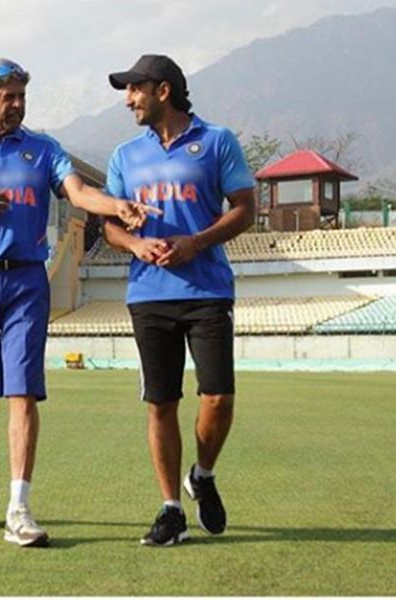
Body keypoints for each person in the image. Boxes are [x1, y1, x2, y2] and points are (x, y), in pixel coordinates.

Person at [0, 58, 158, 548]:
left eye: (22, 95)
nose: (17, 104)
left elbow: (78, 192)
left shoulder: (43, 150)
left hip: (27, 280)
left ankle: (19, 508)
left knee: (24, 391)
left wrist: (116, 206)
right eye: (8, 96)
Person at [102, 55, 255, 547]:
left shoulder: (217, 141)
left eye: (134, 89)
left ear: (162, 91)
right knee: (161, 405)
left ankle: (203, 475)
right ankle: (171, 510)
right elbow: (109, 225)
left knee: (218, 397)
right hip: (148, 294)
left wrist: (195, 243)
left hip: (208, 290)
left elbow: (245, 210)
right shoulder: (125, 155)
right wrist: (136, 244)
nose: (128, 100)